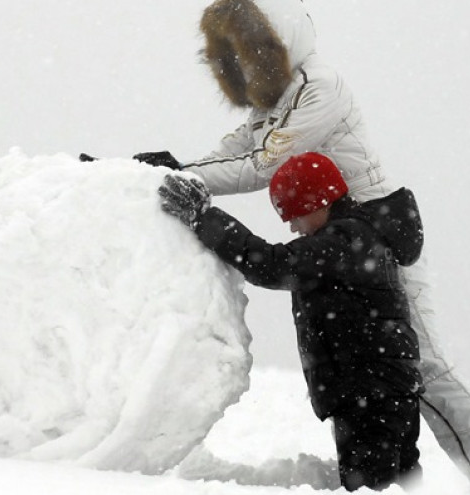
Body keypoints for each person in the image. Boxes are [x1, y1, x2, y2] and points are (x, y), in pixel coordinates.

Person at [131, 0, 470, 489]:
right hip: (346, 242)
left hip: (371, 240)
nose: (241, 64)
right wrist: (169, 173)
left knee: (423, 367)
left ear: (277, 44)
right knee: (392, 373)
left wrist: (188, 188)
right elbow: (234, 149)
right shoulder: (275, 102)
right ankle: (429, 482)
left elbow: (259, 165)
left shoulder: (321, 89)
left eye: (249, 51)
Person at [159, 152, 425, 491]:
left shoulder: (345, 240)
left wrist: (203, 218)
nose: (292, 226)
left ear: (320, 201)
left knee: (374, 487)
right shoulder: (357, 236)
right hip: (379, 387)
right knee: (401, 484)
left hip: (371, 391)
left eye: (295, 214)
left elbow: (270, 264)